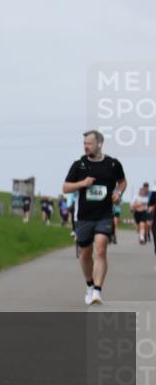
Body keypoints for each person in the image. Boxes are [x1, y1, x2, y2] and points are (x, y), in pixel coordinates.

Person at [62, 130, 127, 305]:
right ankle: (90, 285)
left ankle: (97, 290)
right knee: (85, 254)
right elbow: (66, 188)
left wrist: (118, 192)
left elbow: (122, 181)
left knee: (100, 249)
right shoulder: (79, 165)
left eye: (89, 143)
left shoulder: (113, 164)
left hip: (104, 215)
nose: (86, 146)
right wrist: (82, 183)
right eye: (84, 143)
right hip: (84, 216)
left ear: (99, 144)